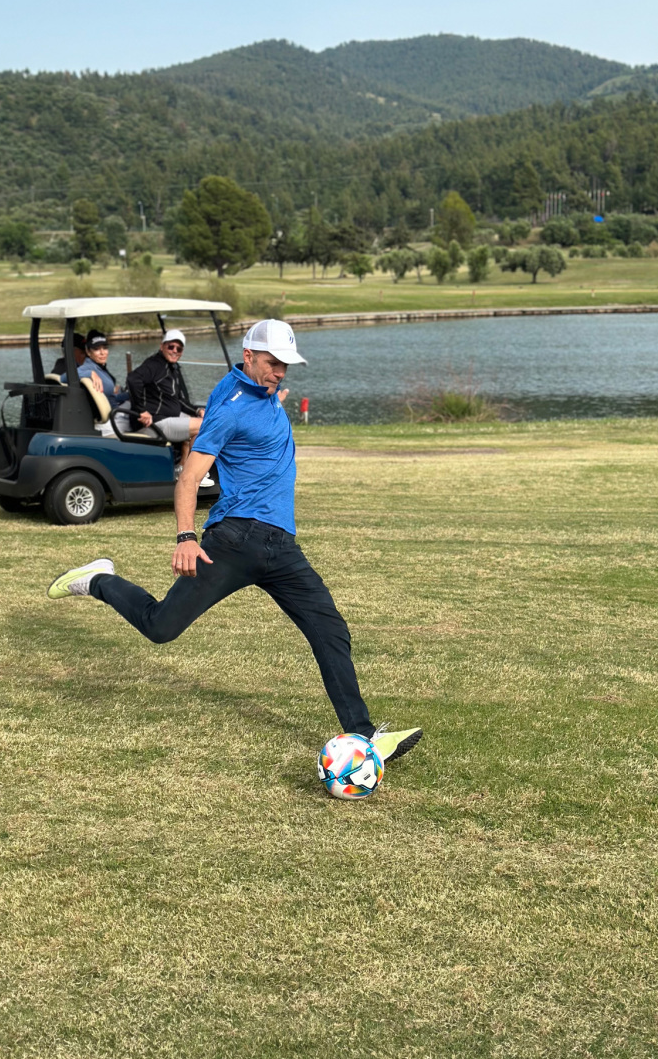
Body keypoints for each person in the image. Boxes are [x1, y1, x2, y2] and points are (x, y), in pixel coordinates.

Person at [47, 319, 422, 765]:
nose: (280, 372)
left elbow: (247, 392)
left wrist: (266, 389)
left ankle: (363, 734)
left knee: (329, 627)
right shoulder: (231, 407)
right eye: (271, 363)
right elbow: (189, 477)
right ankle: (99, 580)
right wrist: (186, 536)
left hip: (281, 547)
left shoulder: (246, 389)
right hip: (234, 540)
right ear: (248, 356)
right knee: (161, 627)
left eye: (285, 365)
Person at [125, 329, 207, 474]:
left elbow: (178, 400)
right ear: (162, 346)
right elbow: (133, 379)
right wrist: (142, 410)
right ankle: (194, 474)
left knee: (202, 419)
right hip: (154, 424)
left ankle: (183, 468)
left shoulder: (171, 368)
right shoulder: (155, 365)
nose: (175, 351)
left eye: (179, 348)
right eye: (171, 347)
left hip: (167, 417)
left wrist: (197, 410)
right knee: (203, 426)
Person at [68, 329, 129, 408]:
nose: (102, 353)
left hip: (113, 406)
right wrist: (90, 373)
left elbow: (111, 398)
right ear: (88, 352)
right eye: (97, 349)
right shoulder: (89, 367)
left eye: (105, 348)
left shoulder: (99, 367)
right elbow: (66, 377)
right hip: (113, 414)